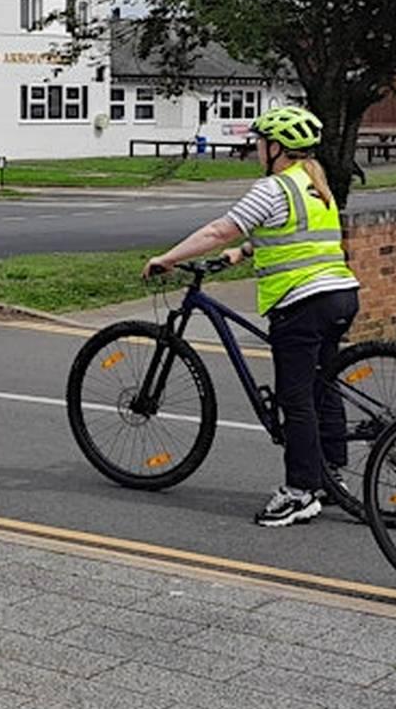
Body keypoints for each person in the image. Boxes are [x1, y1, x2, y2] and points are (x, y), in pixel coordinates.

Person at [144, 105, 360, 527]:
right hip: (340, 295)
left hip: (301, 303)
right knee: (322, 387)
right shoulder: (316, 184)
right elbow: (297, 235)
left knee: (294, 398)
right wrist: (244, 251)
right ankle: (331, 474)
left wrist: (167, 259)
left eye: (260, 142)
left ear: (276, 147)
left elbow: (218, 230)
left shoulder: (274, 187)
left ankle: (300, 492)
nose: (257, 149)